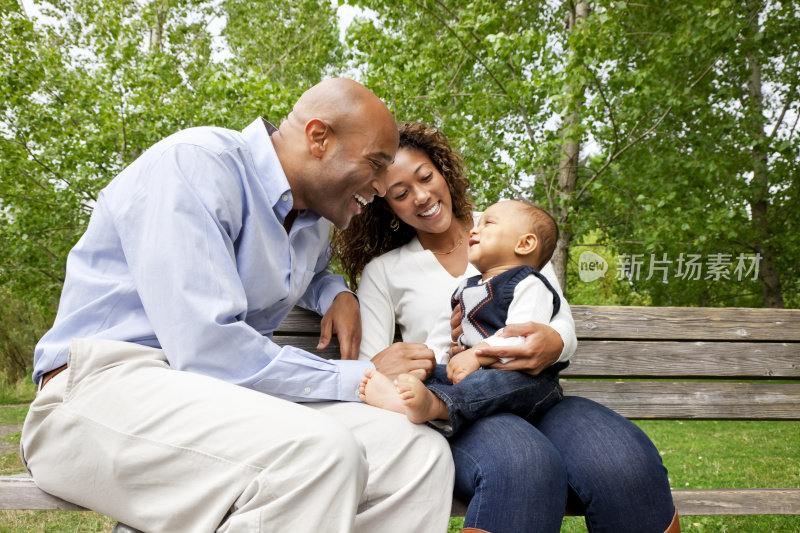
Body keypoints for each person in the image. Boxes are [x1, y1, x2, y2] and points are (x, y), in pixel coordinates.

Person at [21, 79, 454, 533]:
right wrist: (364, 378)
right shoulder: (196, 164)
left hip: (221, 398)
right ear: (319, 138)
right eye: (377, 164)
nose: (383, 186)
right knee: (318, 453)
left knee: (416, 455)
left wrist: (336, 292)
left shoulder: (311, 225)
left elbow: (304, 271)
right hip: (97, 392)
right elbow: (209, 350)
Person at [334, 121, 680, 533]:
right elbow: (370, 366)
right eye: (400, 193)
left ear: (442, 170)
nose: (421, 196)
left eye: (425, 177)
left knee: (622, 460)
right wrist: (393, 362)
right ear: (387, 207)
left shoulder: (511, 227)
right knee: (524, 466)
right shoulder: (386, 271)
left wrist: (552, 341)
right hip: (461, 412)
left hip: (537, 395)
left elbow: (557, 317)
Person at [358, 200, 568, 438]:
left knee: (497, 383)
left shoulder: (529, 284)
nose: (475, 230)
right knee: (432, 373)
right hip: (473, 375)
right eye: (477, 224)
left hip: (525, 381)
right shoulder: (467, 287)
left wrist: (476, 355)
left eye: (488, 223)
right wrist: (433, 362)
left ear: (525, 243)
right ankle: (398, 396)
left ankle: (437, 407)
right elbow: (443, 335)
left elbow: (521, 338)